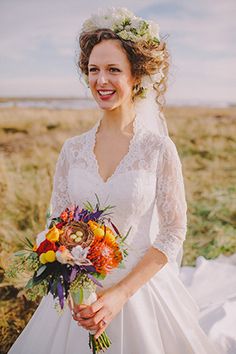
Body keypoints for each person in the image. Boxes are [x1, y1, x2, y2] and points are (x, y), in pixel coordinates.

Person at [8, 7, 233, 354]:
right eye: (94, 70)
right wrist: (73, 289)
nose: (101, 80)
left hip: (140, 293)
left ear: (136, 76)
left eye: (114, 70)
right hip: (80, 297)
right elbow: (57, 224)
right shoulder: (72, 150)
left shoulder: (158, 148)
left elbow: (173, 231)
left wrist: (119, 295)